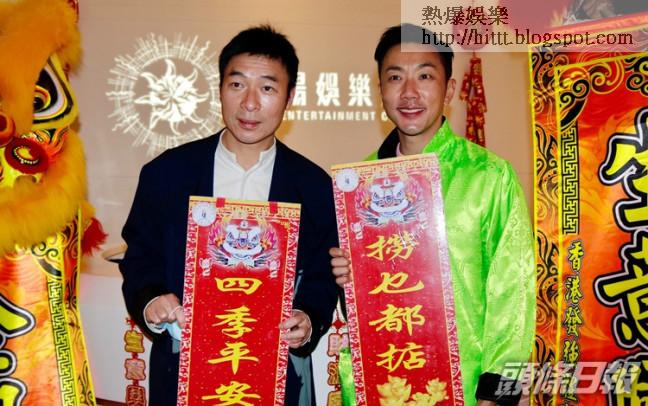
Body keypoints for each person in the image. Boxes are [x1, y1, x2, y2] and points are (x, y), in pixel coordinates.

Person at [120, 25, 339, 406]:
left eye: (267, 88)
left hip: (275, 377)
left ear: (289, 97)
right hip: (182, 373)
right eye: (237, 85)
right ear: (219, 88)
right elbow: (139, 256)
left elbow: (323, 274)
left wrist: (308, 317)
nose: (250, 103)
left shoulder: (314, 186)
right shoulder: (166, 174)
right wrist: (151, 298)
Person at [330, 23, 536, 406]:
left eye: (425, 76)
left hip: (467, 387)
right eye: (395, 77)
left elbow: (513, 291)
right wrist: (346, 280)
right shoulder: (357, 185)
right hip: (383, 384)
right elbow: (365, 307)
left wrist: (497, 392)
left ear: (449, 89)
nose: (409, 92)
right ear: (380, 90)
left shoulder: (488, 175)